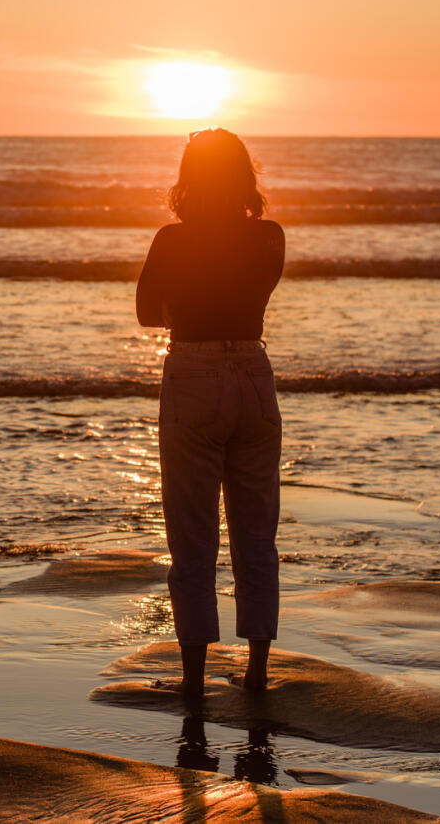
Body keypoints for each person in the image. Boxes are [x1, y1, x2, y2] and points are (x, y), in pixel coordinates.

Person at [136, 129, 285, 700]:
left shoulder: (173, 239)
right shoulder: (269, 236)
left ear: (189, 177)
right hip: (253, 369)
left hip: (193, 370)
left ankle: (194, 678)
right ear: (245, 175)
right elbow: (259, 294)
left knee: (192, 535)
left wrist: (189, 301)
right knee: (256, 532)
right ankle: (256, 670)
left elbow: (149, 313)